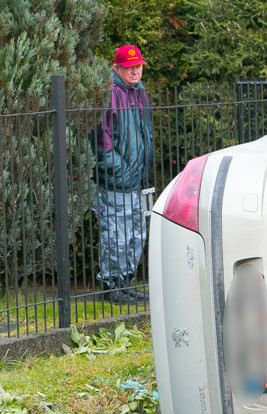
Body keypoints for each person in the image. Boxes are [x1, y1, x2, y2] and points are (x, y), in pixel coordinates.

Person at [92, 45, 154, 303]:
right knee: (115, 232)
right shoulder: (110, 94)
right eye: (129, 67)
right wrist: (116, 168)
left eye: (138, 66)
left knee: (137, 232)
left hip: (137, 179)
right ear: (116, 68)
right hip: (115, 181)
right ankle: (111, 285)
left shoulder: (139, 93)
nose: (135, 71)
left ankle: (126, 281)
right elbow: (100, 137)